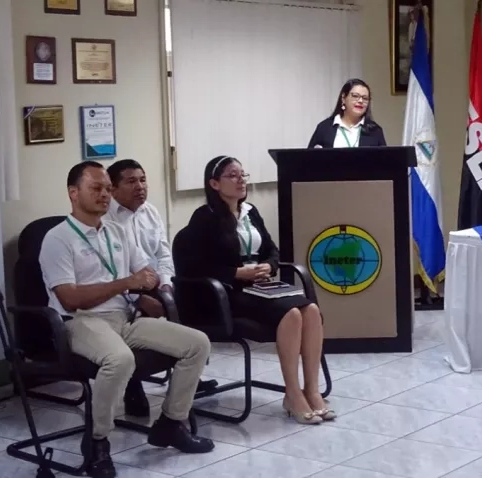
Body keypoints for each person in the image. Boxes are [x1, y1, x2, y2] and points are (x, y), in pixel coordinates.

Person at [39, 161, 215, 478]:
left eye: (108, 188)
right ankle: (97, 443)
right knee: (119, 360)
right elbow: (70, 298)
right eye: (96, 188)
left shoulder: (117, 231)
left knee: (197, 343)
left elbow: (145, 275)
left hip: (124, 316)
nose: (105, 195)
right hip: (81, 321)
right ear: (73, 193)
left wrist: (149, 287)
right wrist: (127, 283)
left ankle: (171, 425)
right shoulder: (58, 239)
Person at [179, 155, 333, 425]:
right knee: (292, 315)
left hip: (260, 285)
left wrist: (268, 266)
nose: (241, 180)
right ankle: (292, 393)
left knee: (310, 310)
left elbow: (272, 250)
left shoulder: (250, 212)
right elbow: (193, 266)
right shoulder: (205, 218)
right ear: (214, 183)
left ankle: (311, 389)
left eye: (242, 175)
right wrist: (236, 273)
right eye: (233, 175)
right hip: (226, 293)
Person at [104, 159, 218, 418]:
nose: (140, 187)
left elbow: (163, 254)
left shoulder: (150, 212)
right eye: (131, 181)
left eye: (143, 180)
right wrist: (137, 298)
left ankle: (187, 375)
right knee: (144, 312)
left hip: (157, 283)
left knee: (185, 300)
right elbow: (112, 270)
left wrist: (166, 283)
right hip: (126, 290)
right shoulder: (105, 219)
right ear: (113, 188)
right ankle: (133, 385)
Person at [307, 78, 386, 148]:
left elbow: (385, 162)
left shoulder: (375, 131)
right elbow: (308, 160)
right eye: (355, 96)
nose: (360, 101)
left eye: (365, 98)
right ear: (344, 98)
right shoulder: (324, 128)